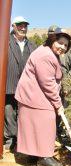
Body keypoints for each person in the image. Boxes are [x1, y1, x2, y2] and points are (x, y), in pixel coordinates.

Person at [15, 28, 71, 166]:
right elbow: (47, 83)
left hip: (34, 95)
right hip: (33, 95)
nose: (62, 47)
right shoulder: (45, 55)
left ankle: (31, 155)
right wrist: (58, 104)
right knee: (46, 123)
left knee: (34, 126)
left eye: (65, 45)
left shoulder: (49, 52)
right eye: (60, 43)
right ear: (53, 40)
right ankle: (44, 156)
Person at [4, 16, 36, 151]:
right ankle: (10, 139)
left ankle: (22, 140)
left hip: (26, 86)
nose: (23, 28)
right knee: (9, 112)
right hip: (9, 84)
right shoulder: (5, 42)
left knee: (23, 113)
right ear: (13, 26)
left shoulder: (32, 45)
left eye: (25, 25)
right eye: (19, 25)